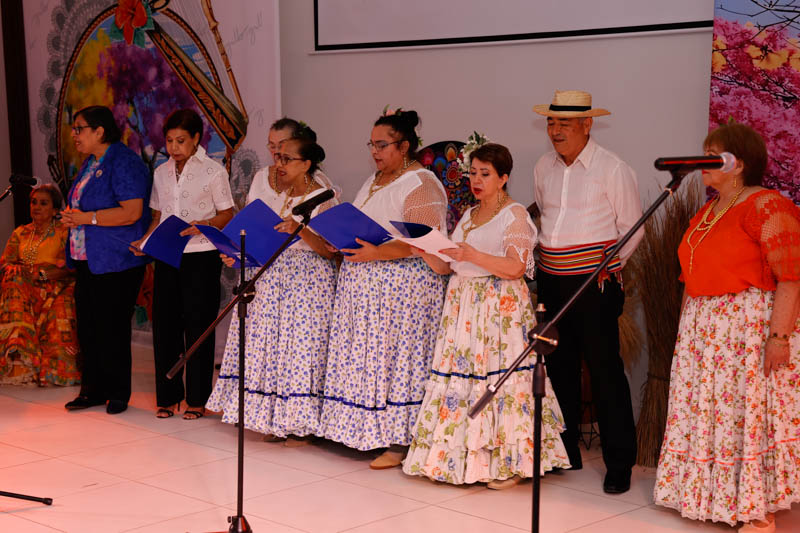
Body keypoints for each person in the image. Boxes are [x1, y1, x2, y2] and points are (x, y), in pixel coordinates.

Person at [654, 123, 800, 532]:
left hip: (745, 329)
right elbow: (690, 274)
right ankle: (712, 495)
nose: (704, 162)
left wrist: (779, 338)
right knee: (713, 414)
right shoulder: (709, 210)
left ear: (739, 164)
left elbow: (790, 276)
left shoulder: (768, 205)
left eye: (713, 154)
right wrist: (686, 332)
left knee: (745, 413)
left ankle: (758, 506)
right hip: (705, 329)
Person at [402, 143, 570, 489]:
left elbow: (515, 266)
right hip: (463, 304)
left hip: (497, 307)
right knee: (464, 379)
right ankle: (465, 458)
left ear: (504, 178)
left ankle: (510, 463)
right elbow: (450, 265)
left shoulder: (515, 215)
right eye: (473, 173)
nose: (476, 180)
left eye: (485, 174)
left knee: (501, 379)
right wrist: (424, 251)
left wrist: (474, 255)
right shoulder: (468, 214)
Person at [318, 108, 448, 469]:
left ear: (403, 145)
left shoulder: (421, 183)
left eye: (382, 144)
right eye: (371, 144)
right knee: (368, 359)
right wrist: (340, 241)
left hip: (402, 289)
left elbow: (425, 241)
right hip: (366, 284)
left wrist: (377, 252)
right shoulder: (374, 180)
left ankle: (398, 440)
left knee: (394, 361)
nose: (375, 151)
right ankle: (363, 430)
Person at [532, 90, 643, 494]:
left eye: (564, 123)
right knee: (557, 367)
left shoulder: (612, 168)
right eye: (550, 122)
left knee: (604, 370)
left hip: (594, 284)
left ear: (587, 125)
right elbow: (546, 214)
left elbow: (634, 228)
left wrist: (606, 269)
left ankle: (619, 463)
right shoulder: (543, 166)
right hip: (551, 280)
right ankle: (565, 451)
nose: (555, 131)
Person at [206, 125, 338, 445]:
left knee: (300, 351)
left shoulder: (323, 194)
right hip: (273, 280)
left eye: (287, 159)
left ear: (306, 163)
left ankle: (301, 423)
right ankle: (275, 417)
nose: (279, 165)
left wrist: (301, 230)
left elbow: (330, 249)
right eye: (278, 158)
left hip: (308, 283)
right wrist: (240, 258)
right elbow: (267, 239)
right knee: (275, 350)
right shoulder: (281, 194)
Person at [131, 109, 234, 420]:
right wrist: (145, 242)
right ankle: (168, 396)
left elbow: (227, 213)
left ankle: (198, 399)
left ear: (195, 141)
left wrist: (204, 224)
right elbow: (157, 216)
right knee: (165, 326)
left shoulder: (214, 171)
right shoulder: (161, 173)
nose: (174, 147)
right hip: (166, 254)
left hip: (201, 255)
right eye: (169, 140)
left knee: (198, 326)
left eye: (181, 141)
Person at [61, 105, 151, 415]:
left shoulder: (124, 162)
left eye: (80, 128)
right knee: (89, 327)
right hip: (87, 258)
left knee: (112, 327)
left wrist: (86, 217)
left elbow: (132, 212)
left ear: (100, 131)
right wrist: (74, 219)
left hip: (117, 260)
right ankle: (92, 391)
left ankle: (117, 393)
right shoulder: (89, 163)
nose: (74, 135)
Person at [0, 185, 80, 386]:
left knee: (61, 303)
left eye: (43, 203)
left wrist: (42, 274)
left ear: (55, 210)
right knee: (13, 282)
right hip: (24, 287)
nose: (36, 207)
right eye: (33, 202)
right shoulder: (21, 233)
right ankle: (19, 364)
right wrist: (20, 272)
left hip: (54, 285)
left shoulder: (63, 233)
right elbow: (5, 263)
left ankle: (56, 372)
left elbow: (71, 267)